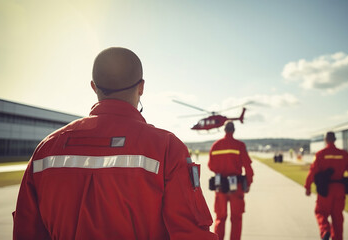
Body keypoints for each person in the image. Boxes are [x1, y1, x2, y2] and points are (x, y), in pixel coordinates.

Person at [13, 47, 218, 240]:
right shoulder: (167, 148)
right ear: (142, 87)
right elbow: (191, 233)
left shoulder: (46, 149)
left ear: (93, 87)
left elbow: (26, 230)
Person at [304, 132, 348, 240]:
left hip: (325, 190)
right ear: (335, 139)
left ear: (325, 140)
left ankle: (325, 231)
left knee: (320, 212)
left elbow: (312, 172)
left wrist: (308, 187)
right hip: (340, 189)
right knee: (337, 218)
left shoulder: (320, 154)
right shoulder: (344, 154)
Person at [208, 121, 254, 240]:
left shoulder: (216, 145)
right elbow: (248, 167)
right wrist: (248, 183)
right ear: (233, 130)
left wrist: (221, 169)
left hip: (220, 187)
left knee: (220, 218)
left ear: (224, 130)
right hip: (236, 187)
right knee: (236, 219)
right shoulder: (239, 145)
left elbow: (211, 166)